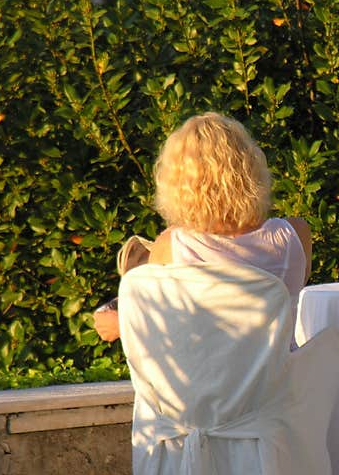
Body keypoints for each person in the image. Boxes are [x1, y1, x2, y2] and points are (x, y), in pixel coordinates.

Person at [93, 112, 311, 342]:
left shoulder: (172, 246)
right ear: (251, 169)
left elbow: (161, 327)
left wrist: (121, 324)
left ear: (177, 182)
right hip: (279, 375)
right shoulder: (294, 234)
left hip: (203, 378)